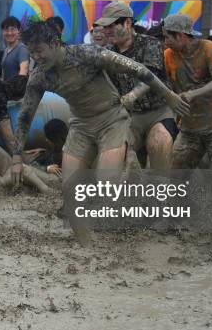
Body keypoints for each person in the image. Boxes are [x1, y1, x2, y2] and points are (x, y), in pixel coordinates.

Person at [12, 21, 189, 246]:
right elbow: (25, 116)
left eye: (40, 50)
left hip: (111, 120)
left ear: (55, 43)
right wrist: (17, 157)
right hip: (80, 126)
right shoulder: (40, 77)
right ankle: (89, 248)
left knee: (106, 183)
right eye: (32, 52)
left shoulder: (88, 54)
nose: (36, 57)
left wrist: (168, 95)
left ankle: (137, 189)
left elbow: (138, 69)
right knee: (70, 192)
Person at [100, 2, 177, 169]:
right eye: (105, 26)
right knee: (112, 152)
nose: (106, 30)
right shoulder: (106, 52)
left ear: (127, 23)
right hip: (127, 116)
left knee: (159, 143)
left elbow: (150, 75)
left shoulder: (150, 43)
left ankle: (161, 191)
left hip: (158, 112)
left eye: (111, 25)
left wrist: (133, 95)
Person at [162, 13, 212, 170]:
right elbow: (161, 82)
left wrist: (191, 94)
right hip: (189, 128)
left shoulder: (209, 49)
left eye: (168, 38)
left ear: (181, 36)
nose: (165, 42)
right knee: (175, 175)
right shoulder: (168, 55)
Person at [1, 16, 30, 99]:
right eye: (6, 30)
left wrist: (16, 93)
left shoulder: (22, 49)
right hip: (6, 95)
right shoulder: (6, 50)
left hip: (18, 97)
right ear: (3, 32)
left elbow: (23, 73)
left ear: (19, 31)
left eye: (13, 29)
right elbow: (3, 74)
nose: (9, 33)